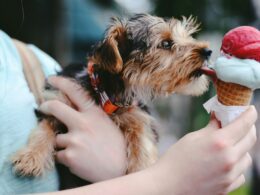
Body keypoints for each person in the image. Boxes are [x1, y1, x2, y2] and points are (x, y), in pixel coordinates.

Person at [0, 29, 257, 194]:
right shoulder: (61, 79)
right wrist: (164, 181)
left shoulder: (33, 63)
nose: (201, 49)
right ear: (119, 57)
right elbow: (49, 119)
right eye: (167, 44)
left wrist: (119, 171)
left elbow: (141, 162)